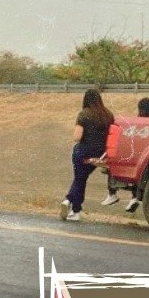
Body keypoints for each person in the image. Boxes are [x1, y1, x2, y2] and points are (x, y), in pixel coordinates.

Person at [60, 89, 114, 221]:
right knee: (81, 178)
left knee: (80, 178)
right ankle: (70, 202)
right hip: (101, 155)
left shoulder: (84, 114)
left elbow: (77, 137)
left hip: (84, 153)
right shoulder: (108, 114)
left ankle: (74, 207)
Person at [99, 99, 149, 212]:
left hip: (133, 159)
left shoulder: (138, 124)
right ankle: (135, 197)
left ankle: (112, 194)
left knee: (112, 165)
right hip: (146, 162)